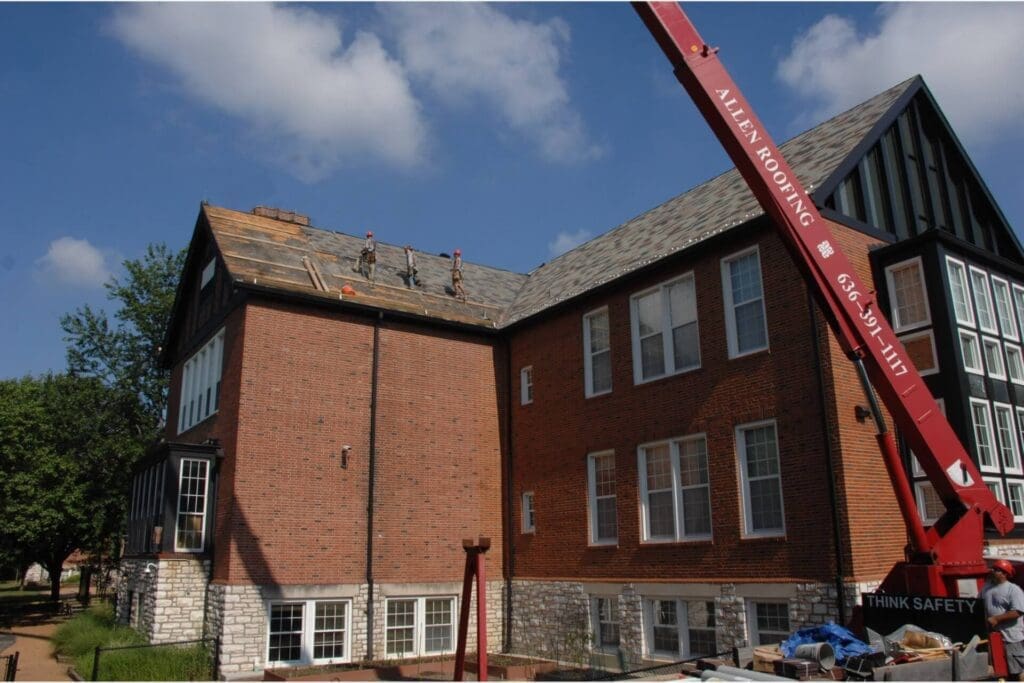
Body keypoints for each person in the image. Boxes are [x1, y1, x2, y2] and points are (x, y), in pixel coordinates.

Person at [984, 559, 1024, 680]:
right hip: (994, 637)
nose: (993, 571)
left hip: (1011, 638)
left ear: (1004, 573)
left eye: (996, 570)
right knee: (999, 671)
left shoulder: (1013, 590)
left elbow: (1018, 611)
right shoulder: (987, 589)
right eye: (993, 569)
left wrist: (997, 618)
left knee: (1018, 670)